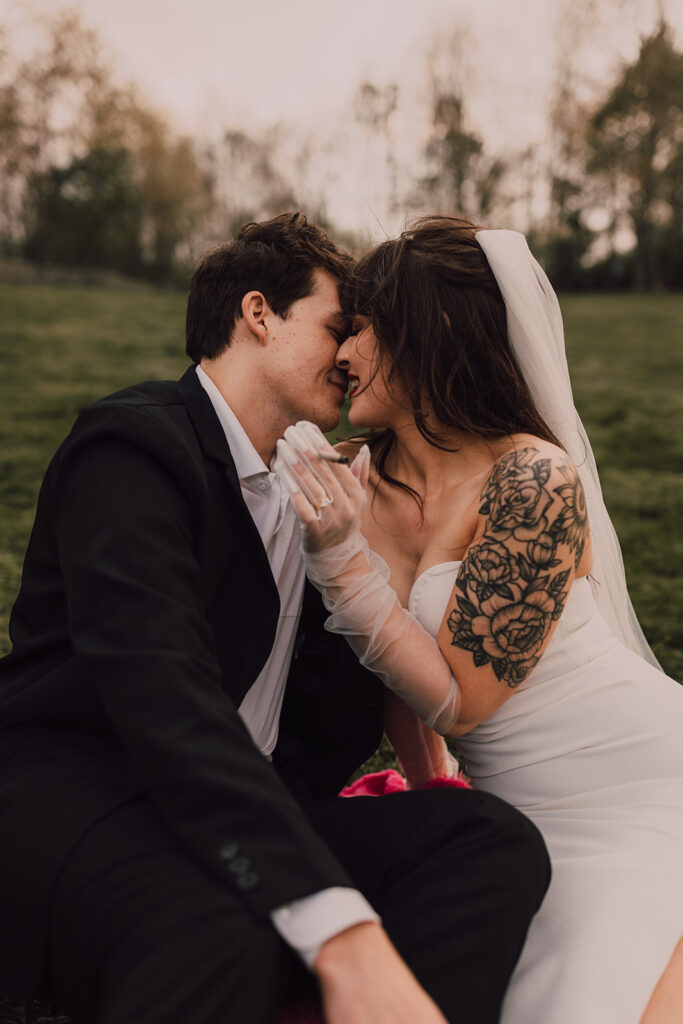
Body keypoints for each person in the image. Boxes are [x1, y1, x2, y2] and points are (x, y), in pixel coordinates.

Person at [0, 213, 549, 1024]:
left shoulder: (331, 493)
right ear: (258, 314)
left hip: (264, 810)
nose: (352, 354)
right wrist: (337, 926)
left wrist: (359, 555)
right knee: (217, 935)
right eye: (337, 326)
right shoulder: (133, 447)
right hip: (99, 798)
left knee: (485, 839)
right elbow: (163, 694)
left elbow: (354, 692)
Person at [275, 215, 683, 1024]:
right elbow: (392, 670)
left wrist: (341, 565)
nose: (342, 354)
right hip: (515, 812)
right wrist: (442, 803)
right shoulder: (360, 480)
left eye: (362, 330)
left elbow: (462, 697)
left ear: (434, 332)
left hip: (641, 786)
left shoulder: (532, 480)